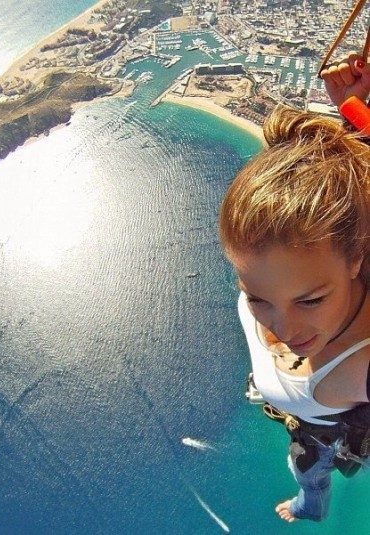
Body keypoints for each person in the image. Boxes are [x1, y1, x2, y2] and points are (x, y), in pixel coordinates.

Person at [218, 53, 370, 523]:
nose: (282, 330)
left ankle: (310, 507)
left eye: (311, 300)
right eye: (256, 298)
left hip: (322, 436)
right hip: (306, 415)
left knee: (307, 470)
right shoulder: (316, 259)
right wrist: (352, 112)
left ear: (358, 258)